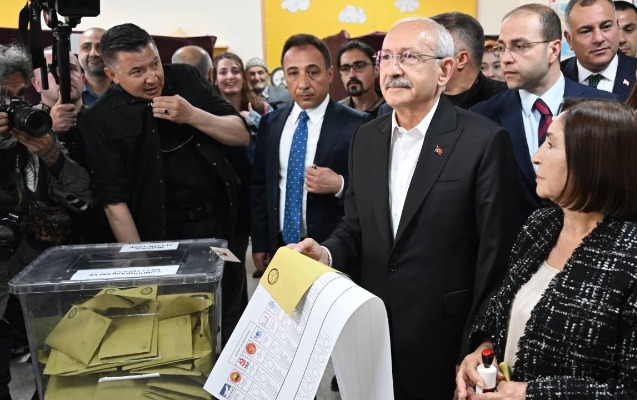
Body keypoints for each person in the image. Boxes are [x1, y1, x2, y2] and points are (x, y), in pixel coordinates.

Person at [290, 18, 521, 399]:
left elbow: (496, 258)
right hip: (372, 331)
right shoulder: (366, 138)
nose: (393, 69)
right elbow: (356, 227)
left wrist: (481, 341)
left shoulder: (483, 141)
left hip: (446, 337)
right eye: (386, 58)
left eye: (409, 57)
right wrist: (326, 253)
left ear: (445, 70)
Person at [456, 99, 637, 399]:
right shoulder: (540, 225)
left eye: (551, 145)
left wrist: (531, 394)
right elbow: (500, 314)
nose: (536, 156)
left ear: (592, 162)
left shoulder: (629, 257)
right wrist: (482, 354)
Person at [80, 23, 249, 243]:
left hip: (220, 220)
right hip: (158, 234)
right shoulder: (100, 118)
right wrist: (141, 258)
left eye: (155, 64)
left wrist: (192, 115)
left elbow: (241, 135)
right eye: (137, 71)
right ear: (112, 74)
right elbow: (114, 203)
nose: (152, 78)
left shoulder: (185, 78)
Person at [0, 43, 94, 400]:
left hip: (35, 276)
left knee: (57, 374)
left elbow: (84, 195)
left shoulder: (32, 131)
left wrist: (52, 155)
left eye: (18, 94)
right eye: (2, 96)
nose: (12, 105)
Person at [471, 4, 616, 221]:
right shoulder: (482, 116)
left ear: (554, 50)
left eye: (519, 46)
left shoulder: (604, 108)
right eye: (502, 47)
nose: (506, 58)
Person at [250, 34, 371, 278]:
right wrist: (261, 241)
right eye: (293, 73)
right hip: (282, 245)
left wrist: (340, 185)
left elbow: (373, 191)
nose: (303, 83)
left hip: (333, 247)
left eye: (313, 72)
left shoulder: (358, 125)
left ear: (330, 74)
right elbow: (261, 186)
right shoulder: (271, 123)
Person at [561, 0, 637, 101]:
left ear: (617, 26)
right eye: (586, 31)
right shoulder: (557, 78)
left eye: (606, 27)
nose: (599, 38)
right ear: (569, 39)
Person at [433, 12, 507, 108]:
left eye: (431, 51)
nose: (418, 62)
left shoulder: (508, 101)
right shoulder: (420, 99)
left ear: (461, 59)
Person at [336, 40, 385, 117]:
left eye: (359, 66)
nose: (352, 75)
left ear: (376, 70)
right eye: (345, 69)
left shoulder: (393, 109)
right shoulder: (335, 113)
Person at [76, 27, 110, 106]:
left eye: (100, 47)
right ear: (78, 54)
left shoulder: (127, 90)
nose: (93, 54)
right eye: (86, 47)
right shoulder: (68, 93)